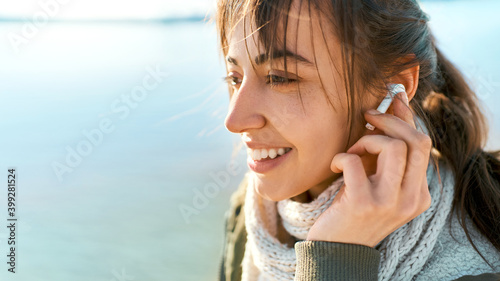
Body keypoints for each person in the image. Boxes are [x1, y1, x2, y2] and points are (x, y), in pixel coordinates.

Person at [214, 0, 500, 280]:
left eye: (280, 77)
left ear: (395, 87)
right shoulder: (254, 214)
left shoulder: (479, 263)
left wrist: (334, 256)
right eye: (235, 77)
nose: (234, 121)